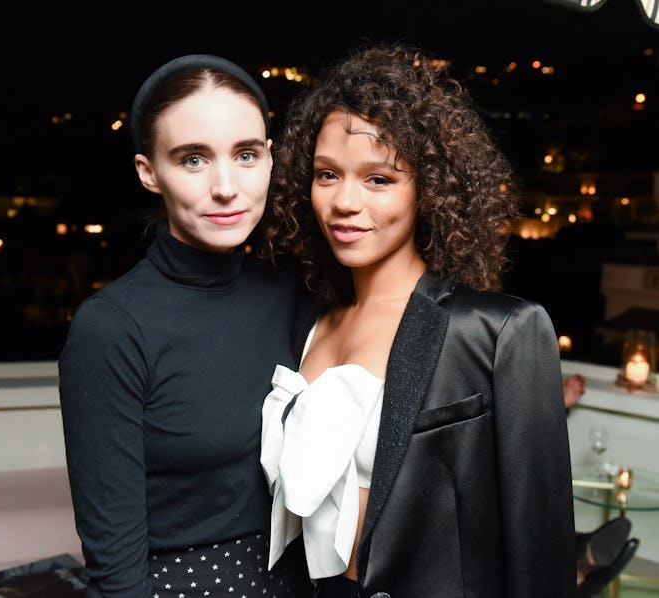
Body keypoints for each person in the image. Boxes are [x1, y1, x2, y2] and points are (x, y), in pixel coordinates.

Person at [258, 43, 576, 597]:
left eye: (379, 179)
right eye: (327, 175)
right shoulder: (307, 325)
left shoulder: (497, 332)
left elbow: (539, 555)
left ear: (427, 191)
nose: (344, 202)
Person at [59, 54, 308, 598]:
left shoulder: (295, 292)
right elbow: (115, 564)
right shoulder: (112, 329)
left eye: (245, 155)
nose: (225, 187)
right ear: (150, 173)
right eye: (193, 160)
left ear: (270, 158)